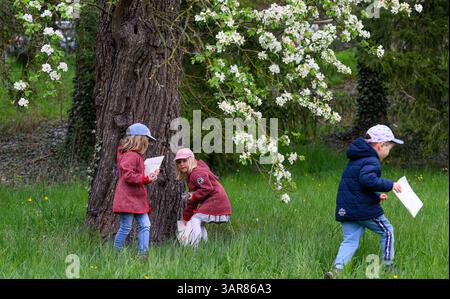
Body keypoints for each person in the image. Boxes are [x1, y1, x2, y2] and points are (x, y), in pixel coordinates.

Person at [325, 125, 403, 278]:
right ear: (381, 146)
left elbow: (358, 185)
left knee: (350, 241)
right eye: (389, 149)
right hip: (362, 209)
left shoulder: (357, 158)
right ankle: (389, 268)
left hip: (347, 208)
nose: (388, 153)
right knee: (387, 231)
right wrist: (391, 185)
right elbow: (368, 180)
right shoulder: (372, 161)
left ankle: (335, 271)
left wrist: (376, 196)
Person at [112, 123, 159, 257]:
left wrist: (149, 176)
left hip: (136, 199)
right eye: (147, 140)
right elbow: (128, 175)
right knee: (126, 227)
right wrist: (145, 178)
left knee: (145, 225)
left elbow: (136, 175)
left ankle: (143, 254)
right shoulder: (131, 156)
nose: (148, 143)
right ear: (140, 140)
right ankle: (116, 254)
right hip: (127, 198)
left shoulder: (135, 156)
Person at [174, 148, 232, 247]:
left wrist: (193, 195)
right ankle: (204, 246)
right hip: (215, 199)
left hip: (216, 200)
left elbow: (207, 188)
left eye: (184, 160)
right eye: (179, 162)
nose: (181, 164)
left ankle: (195, 248)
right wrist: (186, 217)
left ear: (191, 160)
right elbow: (193, 200)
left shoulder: (197, 173)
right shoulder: (191, 174)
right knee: (198, 222)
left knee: (195, 220)